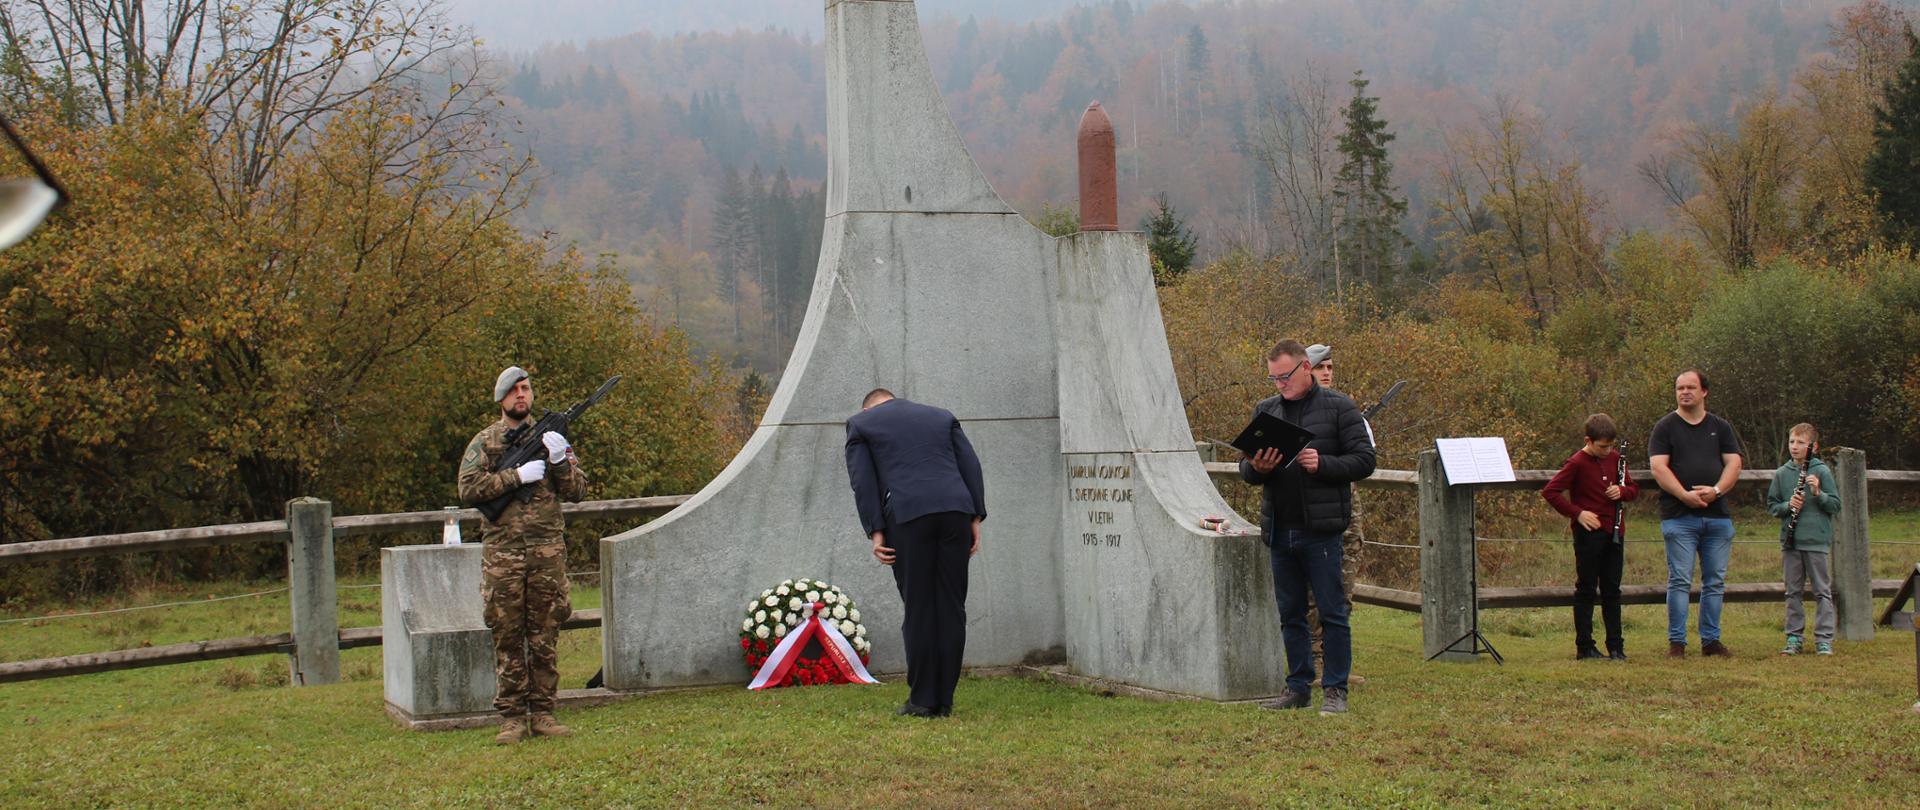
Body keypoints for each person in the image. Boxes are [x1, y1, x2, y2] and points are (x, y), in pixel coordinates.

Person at [1240, 340, 1376, 715]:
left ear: (1305, 367)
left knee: (1333, 611)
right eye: (1273, 378)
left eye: (1284, 376)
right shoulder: (1266, 411)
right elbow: (1246, 469)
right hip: (1280, 528)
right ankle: (1297, 687)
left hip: (1322, 529)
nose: (1279, 384)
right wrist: (1258, 468)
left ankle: (1335, 689)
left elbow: (1365, 460)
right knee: (1291, 613)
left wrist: (1324, 464)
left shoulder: (1339, 407)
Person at [457, 366, 588, 744]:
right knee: (508, 634)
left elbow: (579, 490)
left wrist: (560, 461)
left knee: (545, 633)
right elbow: (468, 489)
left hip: (547, 555)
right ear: (501, 399)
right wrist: (516, 477)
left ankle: (544, 713)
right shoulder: (484, 442)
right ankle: (513, 718)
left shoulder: (551, 437)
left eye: (526, 389)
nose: (521, 395)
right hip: (504, 555)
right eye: (513, 390)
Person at [844, 388, 987, 718]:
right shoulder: (941, 415)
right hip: (955, 511)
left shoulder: (861, 424)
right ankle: (945, 701)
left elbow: (862, 481)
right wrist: (974, 517)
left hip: (909, 516)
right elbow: (970, 464)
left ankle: (923, 700)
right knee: (951, 605)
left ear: (868, 409)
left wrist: (876, 531)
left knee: (920, 606)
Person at [1648, 369, 1743, 659]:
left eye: (1691, 387)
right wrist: (1683, 495)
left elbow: (1734, 463)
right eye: (1679, 388)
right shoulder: (1665, 427)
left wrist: (1716, 491)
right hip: (1678, 517)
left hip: (1717, 517)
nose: (1684, 392)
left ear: (1704, 392)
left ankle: (1711, 641)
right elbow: (1658, 467)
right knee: (1680, 580)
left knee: (1714, 580)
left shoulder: (1720, 427)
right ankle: (1677, 643)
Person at [1541, 413, 1639, 661]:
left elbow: (1633, 489)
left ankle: (1616, 647)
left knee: (1612, 591)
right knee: (1586, 589)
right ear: (1589, 440)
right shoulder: (1576, 463)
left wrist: (1622, 491)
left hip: (1615, 533)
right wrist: (1578, 513)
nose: (1608, 451)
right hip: (1588, 535)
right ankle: (1585, 646)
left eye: (1611, 445)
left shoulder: (1617, 459)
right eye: (1603, 446)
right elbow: (1551, 491)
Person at [1301, 343, 1365, 682]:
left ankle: (1336, 658)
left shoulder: (1343, 409)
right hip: (1315, 512)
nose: (1326, 372)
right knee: (1315, 587)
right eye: (1319, 367)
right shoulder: (1299, 411)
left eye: (1329, 366)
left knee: (1344, 582)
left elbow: (1363, 458)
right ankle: (1314, 658)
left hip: (1347, 506)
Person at [1767, 423, 1842, 656]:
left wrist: (1819, 493)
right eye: (1792, 442)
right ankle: (1794, 637)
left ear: (1814, 447)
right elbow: (1772, 506)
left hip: (1816, 540)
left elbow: (1835, 505)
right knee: (1793, 591)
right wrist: (1788, 505)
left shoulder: (1822, 471)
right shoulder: (1782, 474)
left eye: (1801, 443)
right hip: (1791, 541)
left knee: (1822, 591)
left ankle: (1823, 639)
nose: (1795, 447)